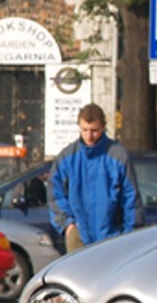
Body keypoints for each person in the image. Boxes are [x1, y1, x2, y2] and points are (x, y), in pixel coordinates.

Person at [50, 103, 139, 252]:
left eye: (94, 131)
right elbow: (55, 193)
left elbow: (131, 199)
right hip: (78, 235)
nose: (89, 136)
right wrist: (67, 225)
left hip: (112, 237)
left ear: (103, 127)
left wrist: (130, 233)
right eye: (84, 130)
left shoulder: (118, 155)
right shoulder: (67, 157)